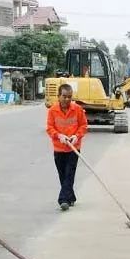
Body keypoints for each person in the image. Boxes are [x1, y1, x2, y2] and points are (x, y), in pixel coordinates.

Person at [46, 83, 88, 211]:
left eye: (69, 97)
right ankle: (71, 197)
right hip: (59, 148)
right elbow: (49, 128)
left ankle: (63, 199)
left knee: (69, 174)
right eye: (64, 96)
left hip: (73, 148)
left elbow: (83, 125)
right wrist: (59, 135)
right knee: (63, 175)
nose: (67, 99)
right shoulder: (52, 110)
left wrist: (77, 136)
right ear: (59, 96)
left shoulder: (78, 109)